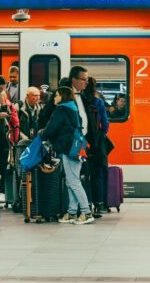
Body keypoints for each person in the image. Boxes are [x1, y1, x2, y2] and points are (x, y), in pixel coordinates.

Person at [40, 86, 94, 225]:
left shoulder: (62, 110)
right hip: (76, 148)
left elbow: (51, 129)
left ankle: (86, 212)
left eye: (57, 95)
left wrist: (41, 134)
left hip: (68, 148)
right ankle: (71, 212)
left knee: (73, 181)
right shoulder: (73, 108)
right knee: (71, 181)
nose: (54, 98)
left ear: (62, 96)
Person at [83, 76, 111, 216]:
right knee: (98, 174)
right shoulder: (98, 102)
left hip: (83, 142)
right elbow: (105, 124)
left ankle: (85, 203)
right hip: (97, 143)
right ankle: (99, 204)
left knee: (82, 174)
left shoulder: (80, 101)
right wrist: (100, 136)